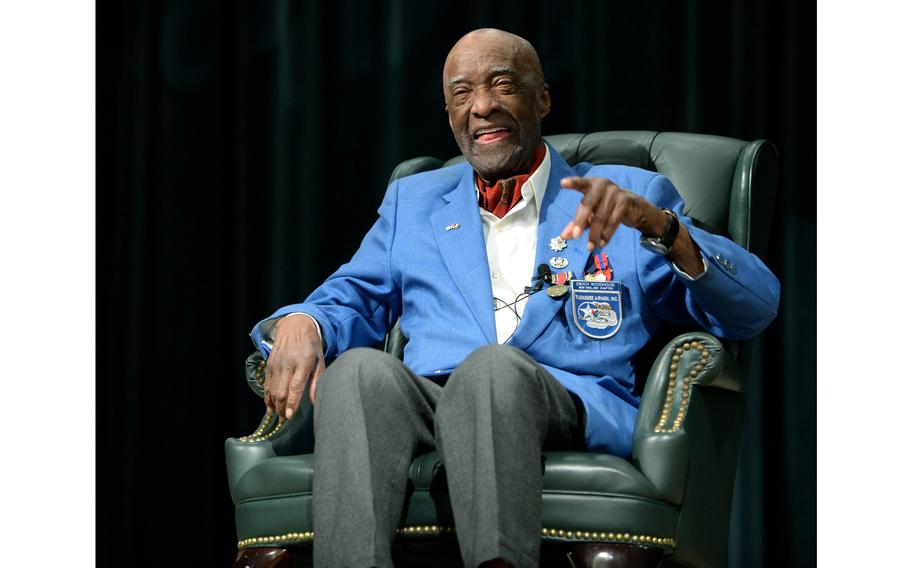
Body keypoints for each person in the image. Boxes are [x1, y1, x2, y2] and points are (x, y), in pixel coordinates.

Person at [250, 28, 779, 568]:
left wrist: (665, 231)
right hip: (430, 399)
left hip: (564, 401)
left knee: (492, 371)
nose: (482, 106)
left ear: (542, 99)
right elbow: (349, 297)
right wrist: (302, 320)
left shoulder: (625, 195)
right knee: (357, 373)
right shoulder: (415, 201)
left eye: (502, 85)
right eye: (462, 93)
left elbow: (754, 308)